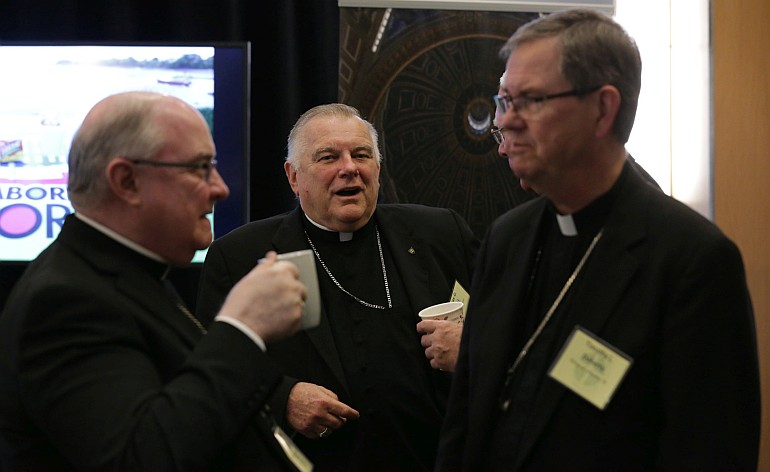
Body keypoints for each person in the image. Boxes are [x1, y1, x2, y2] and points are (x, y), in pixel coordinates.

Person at [436, 8, 760, 471]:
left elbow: (708, 453)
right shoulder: (506, 239)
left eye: (531, 100)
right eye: (505, 100)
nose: (506, 122)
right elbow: (464, 423)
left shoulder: (692, 260)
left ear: (603, 109)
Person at [0, 91, 313, 471]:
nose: (220, 187)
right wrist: (243, 329)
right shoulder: (62, 301)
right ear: (126, 181)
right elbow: (141, 458)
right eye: (199, 168)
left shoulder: (130, 268)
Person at [196, 103, 479, 471]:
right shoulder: (239, 256)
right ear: (294, 177)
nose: (349, 168)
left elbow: (506, 328)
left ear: (376, 168)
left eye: (361, 155)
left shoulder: (441, 234)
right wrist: (283, 397)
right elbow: (211, 370)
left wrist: (472, 348)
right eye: (328, 157)